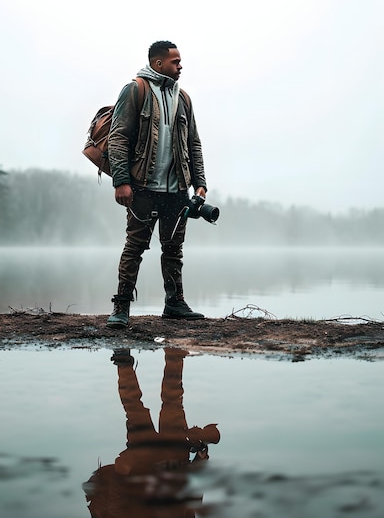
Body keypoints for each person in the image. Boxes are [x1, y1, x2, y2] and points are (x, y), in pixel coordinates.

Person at [107, 41, 208, 328]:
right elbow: (118, 137)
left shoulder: (184, 98)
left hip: (177, 189)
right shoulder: (135, 90)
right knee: (135, 247)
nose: (180, 66)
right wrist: (121, 181)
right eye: (175, 61)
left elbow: (194, 144)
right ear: (159, 63)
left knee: (173, 249)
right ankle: (121, 307)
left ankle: (174, 303)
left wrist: (200, 182)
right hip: (141, 187)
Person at [82, 347, 220, 517]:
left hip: (141, 460)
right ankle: (173, 354)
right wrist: (200, 459)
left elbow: (115, 503)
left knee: (138, 408)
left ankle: (124, 362)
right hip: (172, 458)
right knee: (170, 402)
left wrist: (122, 471)